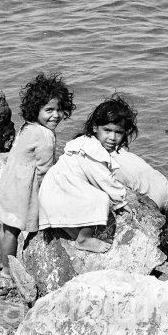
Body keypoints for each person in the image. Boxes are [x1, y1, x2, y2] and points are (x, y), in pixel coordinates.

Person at [0, 72, 75, 277]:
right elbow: (45, 170)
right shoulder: (45, 135)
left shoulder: (28, 127)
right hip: (23, 187)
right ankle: (8, 268)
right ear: (35, 109)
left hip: (10, 180)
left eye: (59, 110)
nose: (55, 115)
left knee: (5, 223)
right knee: (14, 229)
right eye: (49, 110)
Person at [38, 94, 137, 253]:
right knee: (100, 199)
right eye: (107, 130)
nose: (112, 137)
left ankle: (72, 229)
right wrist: (121, 203)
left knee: (92, 196)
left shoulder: (85, 142)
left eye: (118, 132)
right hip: (59, 194)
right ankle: (83, 239)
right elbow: (106, 181)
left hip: (54, 191)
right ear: (95, 127)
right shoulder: (93, 151)